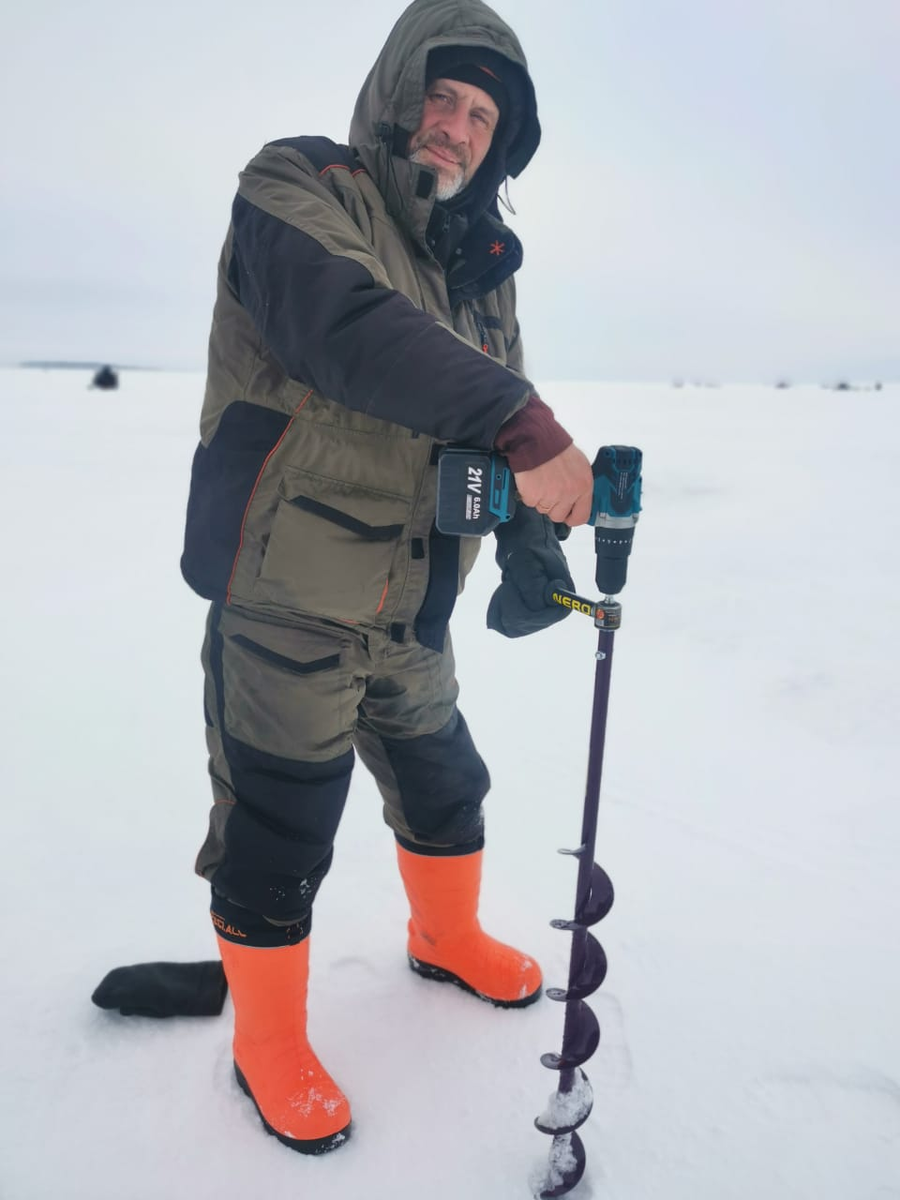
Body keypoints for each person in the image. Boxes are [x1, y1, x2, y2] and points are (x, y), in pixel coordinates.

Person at [180, 0, 594, 1156]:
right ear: (398, 92)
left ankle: (444, 938)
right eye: (443, 99)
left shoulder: (478, 269)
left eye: (481, 116)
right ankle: (265, 1043)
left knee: (446, 781)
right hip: (289, 589)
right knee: (281, 823)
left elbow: (481, 412)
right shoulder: (299, 187)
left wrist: (529, 536)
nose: (456, 128)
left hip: (414, 599)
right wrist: (522, 420)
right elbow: (349, 328)